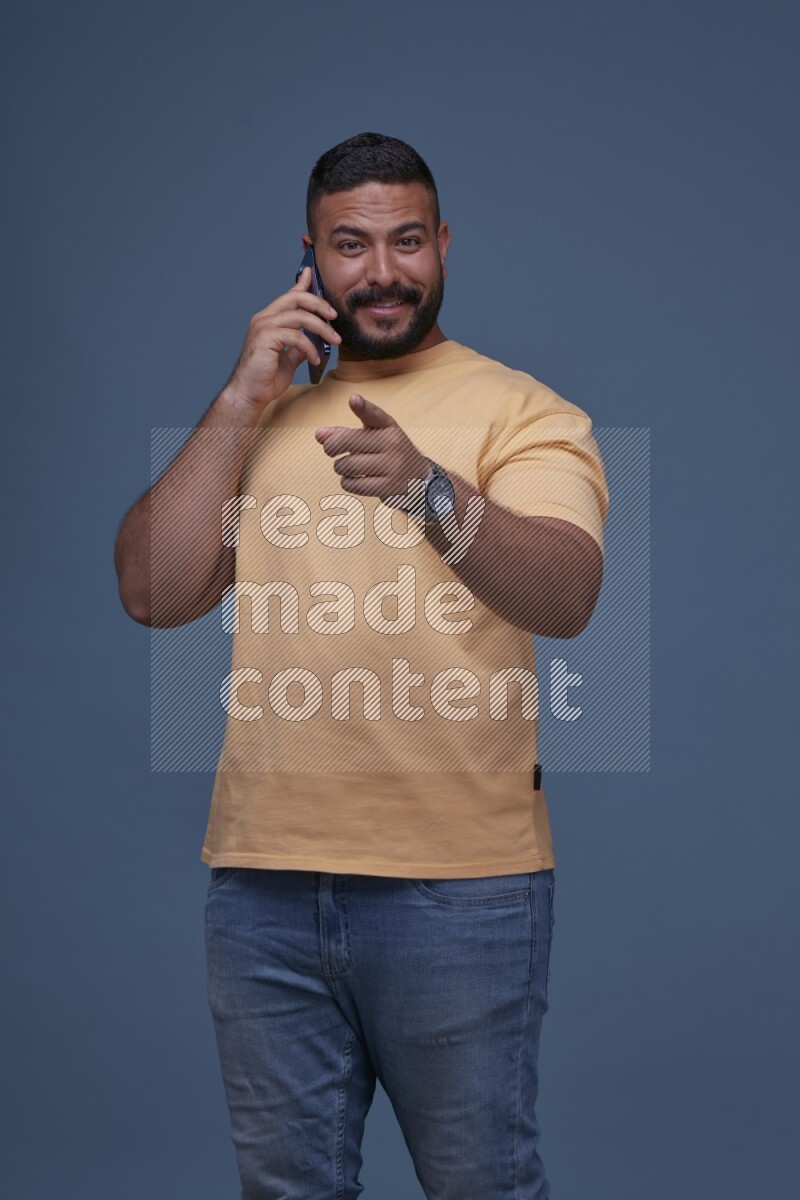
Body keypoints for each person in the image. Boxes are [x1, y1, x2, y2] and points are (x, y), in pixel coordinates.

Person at [115, 131, 609, 1200]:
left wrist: (429, 489)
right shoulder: (265, 416)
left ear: (443, 246)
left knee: (479, 1186)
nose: (381, 271)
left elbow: (566, 594)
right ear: (309, 257)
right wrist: (243, 396)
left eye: (405, 241)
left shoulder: (524, 413)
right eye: (351, 244)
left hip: (460, 894)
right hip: (260, 891)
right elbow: (153, 591)